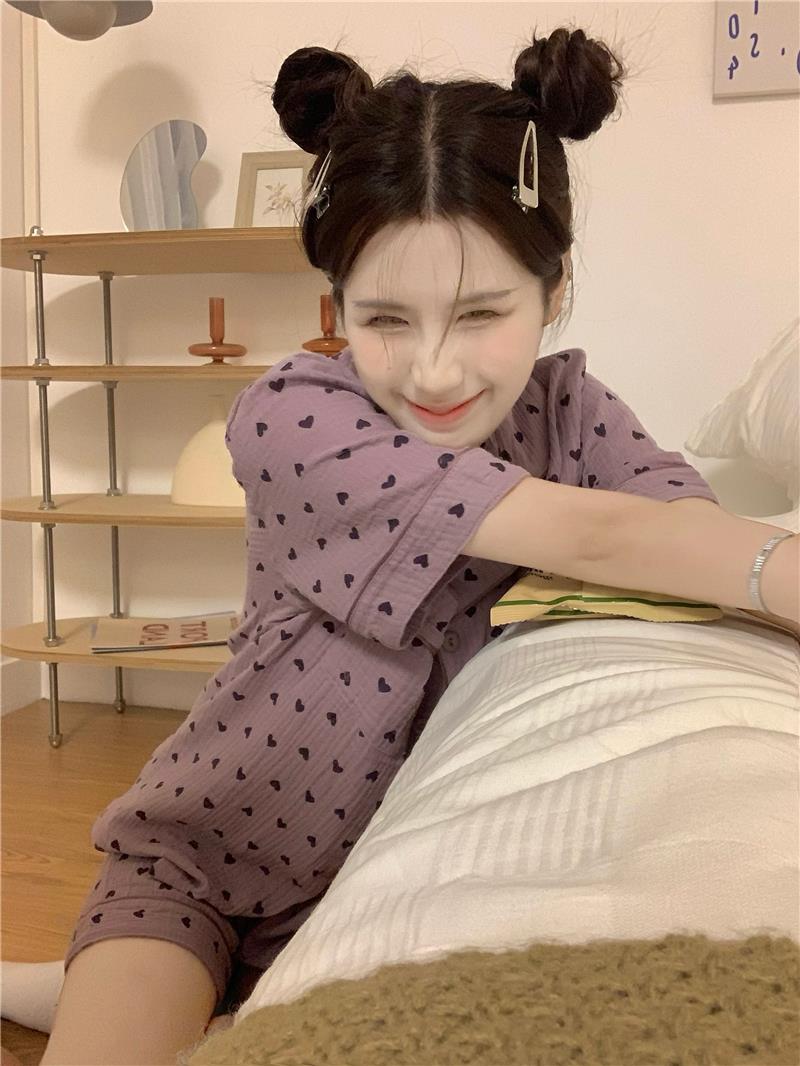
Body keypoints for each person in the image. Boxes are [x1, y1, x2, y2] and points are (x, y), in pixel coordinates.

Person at [24, 27, 796, 1066]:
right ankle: (97, 976)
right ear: (336, 302)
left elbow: (685, 531)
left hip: (370, 883)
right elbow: (604, 531)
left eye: (480, 313)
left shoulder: (572, 411)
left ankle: (92, 987)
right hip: (205, 863)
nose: (434, 371)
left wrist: (741, 567)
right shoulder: (293, 416)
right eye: (384, 318)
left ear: (555, 288)